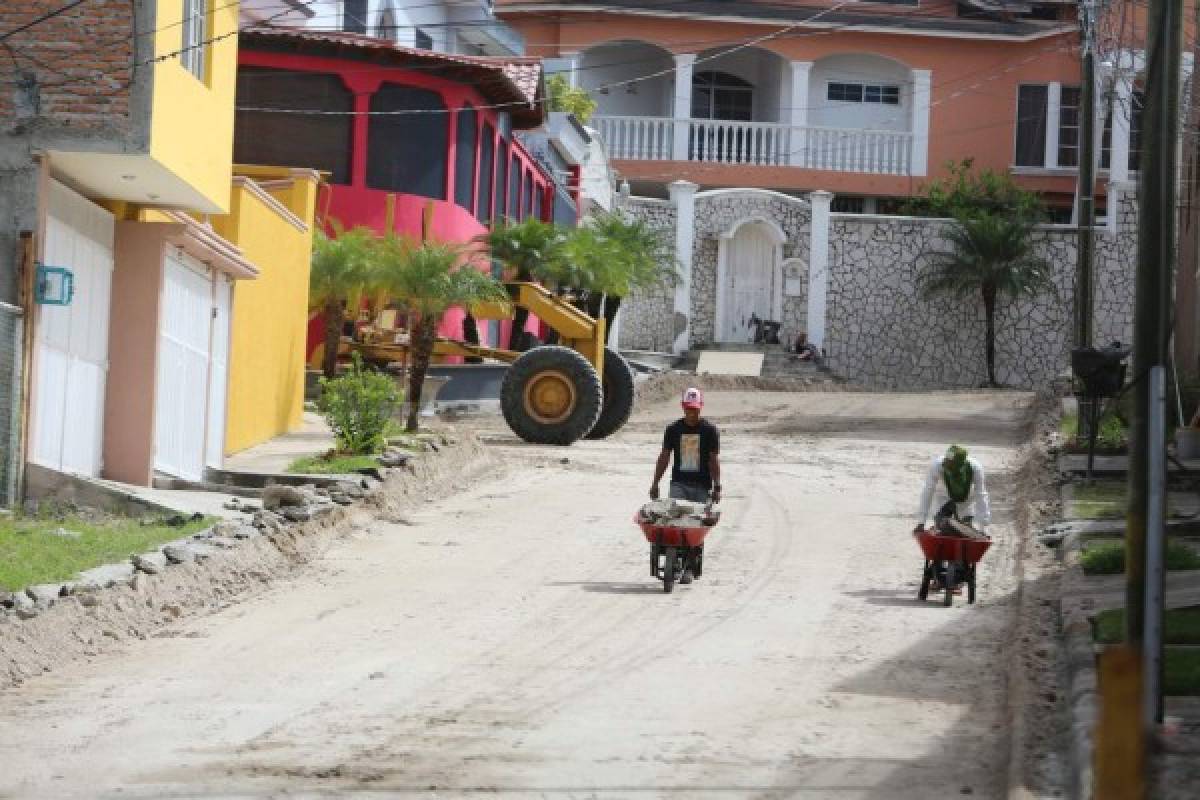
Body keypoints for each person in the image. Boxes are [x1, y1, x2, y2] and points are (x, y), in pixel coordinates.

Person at [650, 387, 722, 584]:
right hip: (679, 484)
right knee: (674, 522)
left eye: (695, 409)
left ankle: (690, 567)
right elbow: (664, 457)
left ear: (701, 408)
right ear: (683, 407)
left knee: (695, 527)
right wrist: (655, 482)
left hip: (701, 485)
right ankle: (675, 559)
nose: (692, 413)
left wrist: (717, 487)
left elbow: (713, 460)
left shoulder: (709, 431)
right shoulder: (673, 429)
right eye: (689, 409)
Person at [913, 445, 991, 589]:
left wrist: (984, 527)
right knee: (941, 535)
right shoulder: (937, 466)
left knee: (964, 538)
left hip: (966, 502)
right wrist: (921, 522)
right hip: (943, 499)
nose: (947, 467)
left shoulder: (975, 468)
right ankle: (937, 575)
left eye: (951, 466)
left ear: (961, 464)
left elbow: (981, 495)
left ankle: (959, 577)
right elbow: (927, 492)